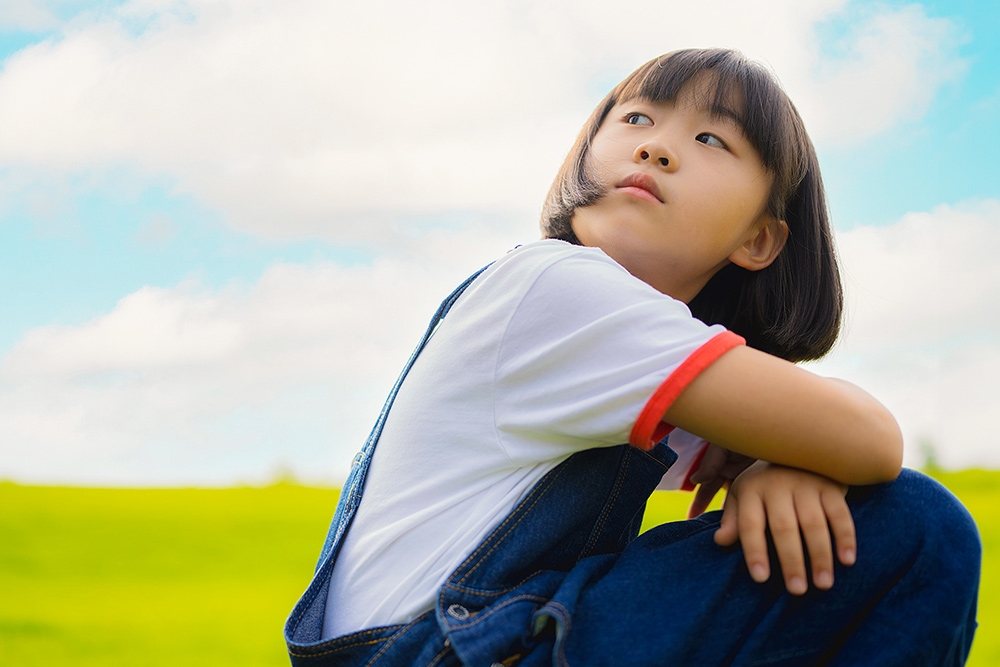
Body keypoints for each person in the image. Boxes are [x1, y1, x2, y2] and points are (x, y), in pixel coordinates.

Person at [284, 48, 981, 666]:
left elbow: (800, 444)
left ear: (760, 241)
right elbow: (869, 439)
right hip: (440, 651)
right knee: (917, 527)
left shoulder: (638, 351)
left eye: (710, 138)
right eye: (638, 120)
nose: (657, 149)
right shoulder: (560, 288)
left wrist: (775, 462)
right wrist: (794, 455)